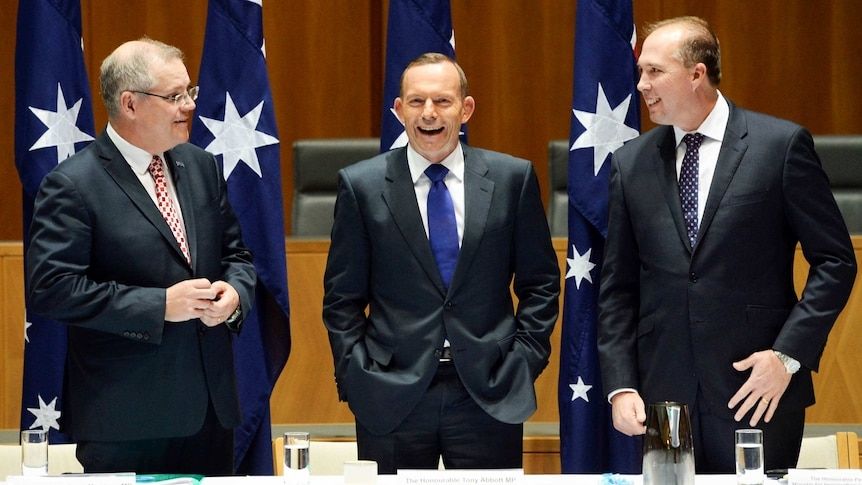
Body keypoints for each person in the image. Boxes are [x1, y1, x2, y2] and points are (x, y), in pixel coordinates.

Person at [597, 16, 857, 473]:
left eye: (654, 71)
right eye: (641, 72)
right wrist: (620, 385)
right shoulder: (631, 163)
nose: (641, 84)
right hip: (665, 399)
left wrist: (787, 356)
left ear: (697, 73)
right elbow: (618, 286)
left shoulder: (779, 146)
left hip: (757, 388)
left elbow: (835, 261)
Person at [26, 38, 255, 475]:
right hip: (126, 418)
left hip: (210, 412)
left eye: (189, 92)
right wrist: (160, 306)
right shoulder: (73, 184)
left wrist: (234, 294)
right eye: (174, 96)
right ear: (129, 104)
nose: (188, 105)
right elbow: (52, 290)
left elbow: (236, 255)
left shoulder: (201, 166)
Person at [322, 52, 560, 473]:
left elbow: (540, 283)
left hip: (489, 390)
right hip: (391, 392)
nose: (428, 113)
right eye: (416, 102)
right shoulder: (361, 186)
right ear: (398, 110)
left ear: (465, 108)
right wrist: (358, 375)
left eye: (442, 101)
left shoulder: (512, 179)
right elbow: (341, 299)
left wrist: (522, 361)